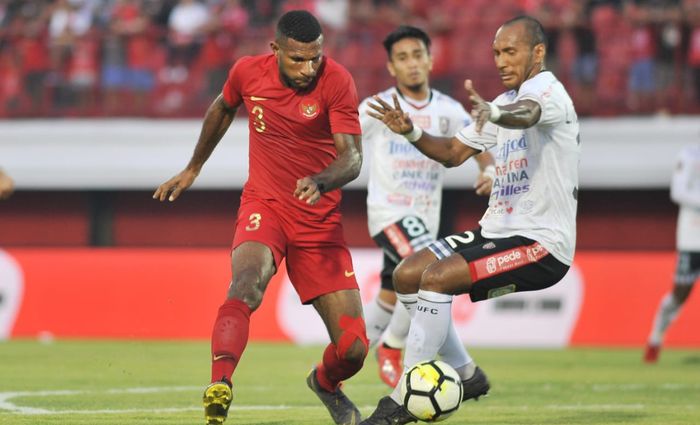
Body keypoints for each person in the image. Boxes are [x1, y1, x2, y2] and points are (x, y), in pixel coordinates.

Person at [361, 15, 580, 424]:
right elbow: (450, 154)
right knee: (409, 273)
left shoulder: (548, 94)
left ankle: (404, 397)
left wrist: (496, 115)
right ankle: (466, 374)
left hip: (540, 244)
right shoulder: (500, 104)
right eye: (496, 52)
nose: (500, 60)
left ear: (538, 52)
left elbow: (528, 114)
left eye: (510, 51)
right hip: (495, 232)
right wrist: (410, 132)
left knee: (437, 279)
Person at [154, 11, 367, 425]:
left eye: (315, 59)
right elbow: (221, 107)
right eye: (298, 60)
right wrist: (193, 167)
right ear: (275, 50)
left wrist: (321, 181)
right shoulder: (247, 73)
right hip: (264, 206)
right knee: (246, 283)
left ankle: (324, 382)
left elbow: (353, 158)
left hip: (318, 224)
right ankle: (220, 384)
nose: (308, 69)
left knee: (353, 351)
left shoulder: (337, 80)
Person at [359, 25, 495, 389]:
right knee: (429, 273)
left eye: (418, 55)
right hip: (390, 213)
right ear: (391, 67)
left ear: (431, 60)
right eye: (402, 58)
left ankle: (339, 365)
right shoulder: (376, 108)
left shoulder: (450, 111)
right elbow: (342, 144)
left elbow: (478, 146)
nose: (412, 64)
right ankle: (453, 366)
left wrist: (490, 171)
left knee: (393, 289)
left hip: (426, 217)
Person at [644, 144, 700, 363]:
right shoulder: (690, 155)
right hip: (692, 237)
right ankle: (655, 338)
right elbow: (678, 192)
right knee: (680, 294)